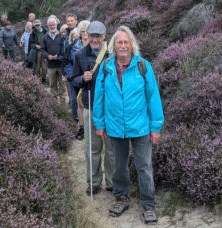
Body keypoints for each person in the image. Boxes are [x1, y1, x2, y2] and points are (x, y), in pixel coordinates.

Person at [93, 26, 164, 224]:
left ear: (132, 45)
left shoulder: (143, 66)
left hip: (140, 126)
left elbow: (153, 97)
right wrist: (99, 123)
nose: (123, 46)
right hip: (115, 127)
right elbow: (99, 97)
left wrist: (156, 127)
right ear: (113, 46)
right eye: (119, 42)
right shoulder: (106, 67)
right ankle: (121, 198)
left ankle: (148, 205)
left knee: (144, 167)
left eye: (126, 42)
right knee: (118, 167)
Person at [72, 21, 114, 195]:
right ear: (87, 36)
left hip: (111, 109)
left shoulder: (112, 54)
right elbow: (73, 79)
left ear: (104, 36)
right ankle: (94, 182)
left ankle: (112, 183)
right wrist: (82, 78)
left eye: (99, 36)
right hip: (90, 107)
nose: (95, 39)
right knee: (93, 148)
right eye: (92, 36)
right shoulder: (80, 55)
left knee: (112, 149)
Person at [64, 21, 89, 139]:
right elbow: (67, 63)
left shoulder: (96, 45)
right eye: (83, 31)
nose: (85, 34)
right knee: (79, 104)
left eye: (87, 31)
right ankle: (81, 128)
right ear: (79, 32)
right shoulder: (72, 46)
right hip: (77, 79)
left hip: (92, 81)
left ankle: (93, 128)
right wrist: (71, 74)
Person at [41, 17, 65, 103]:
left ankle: (63, 102)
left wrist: (58, 56)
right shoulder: (45, 37)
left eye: (53, 24)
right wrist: (48, 56)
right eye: (50, 25)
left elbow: (64, 49)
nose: (52, 26)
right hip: (50, 65)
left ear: (56, 25)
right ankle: (55, 103)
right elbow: (42, 49)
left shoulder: (61, 36)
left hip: (61, 65)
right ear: (48, 26)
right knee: (52, 84)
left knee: (62, 84)